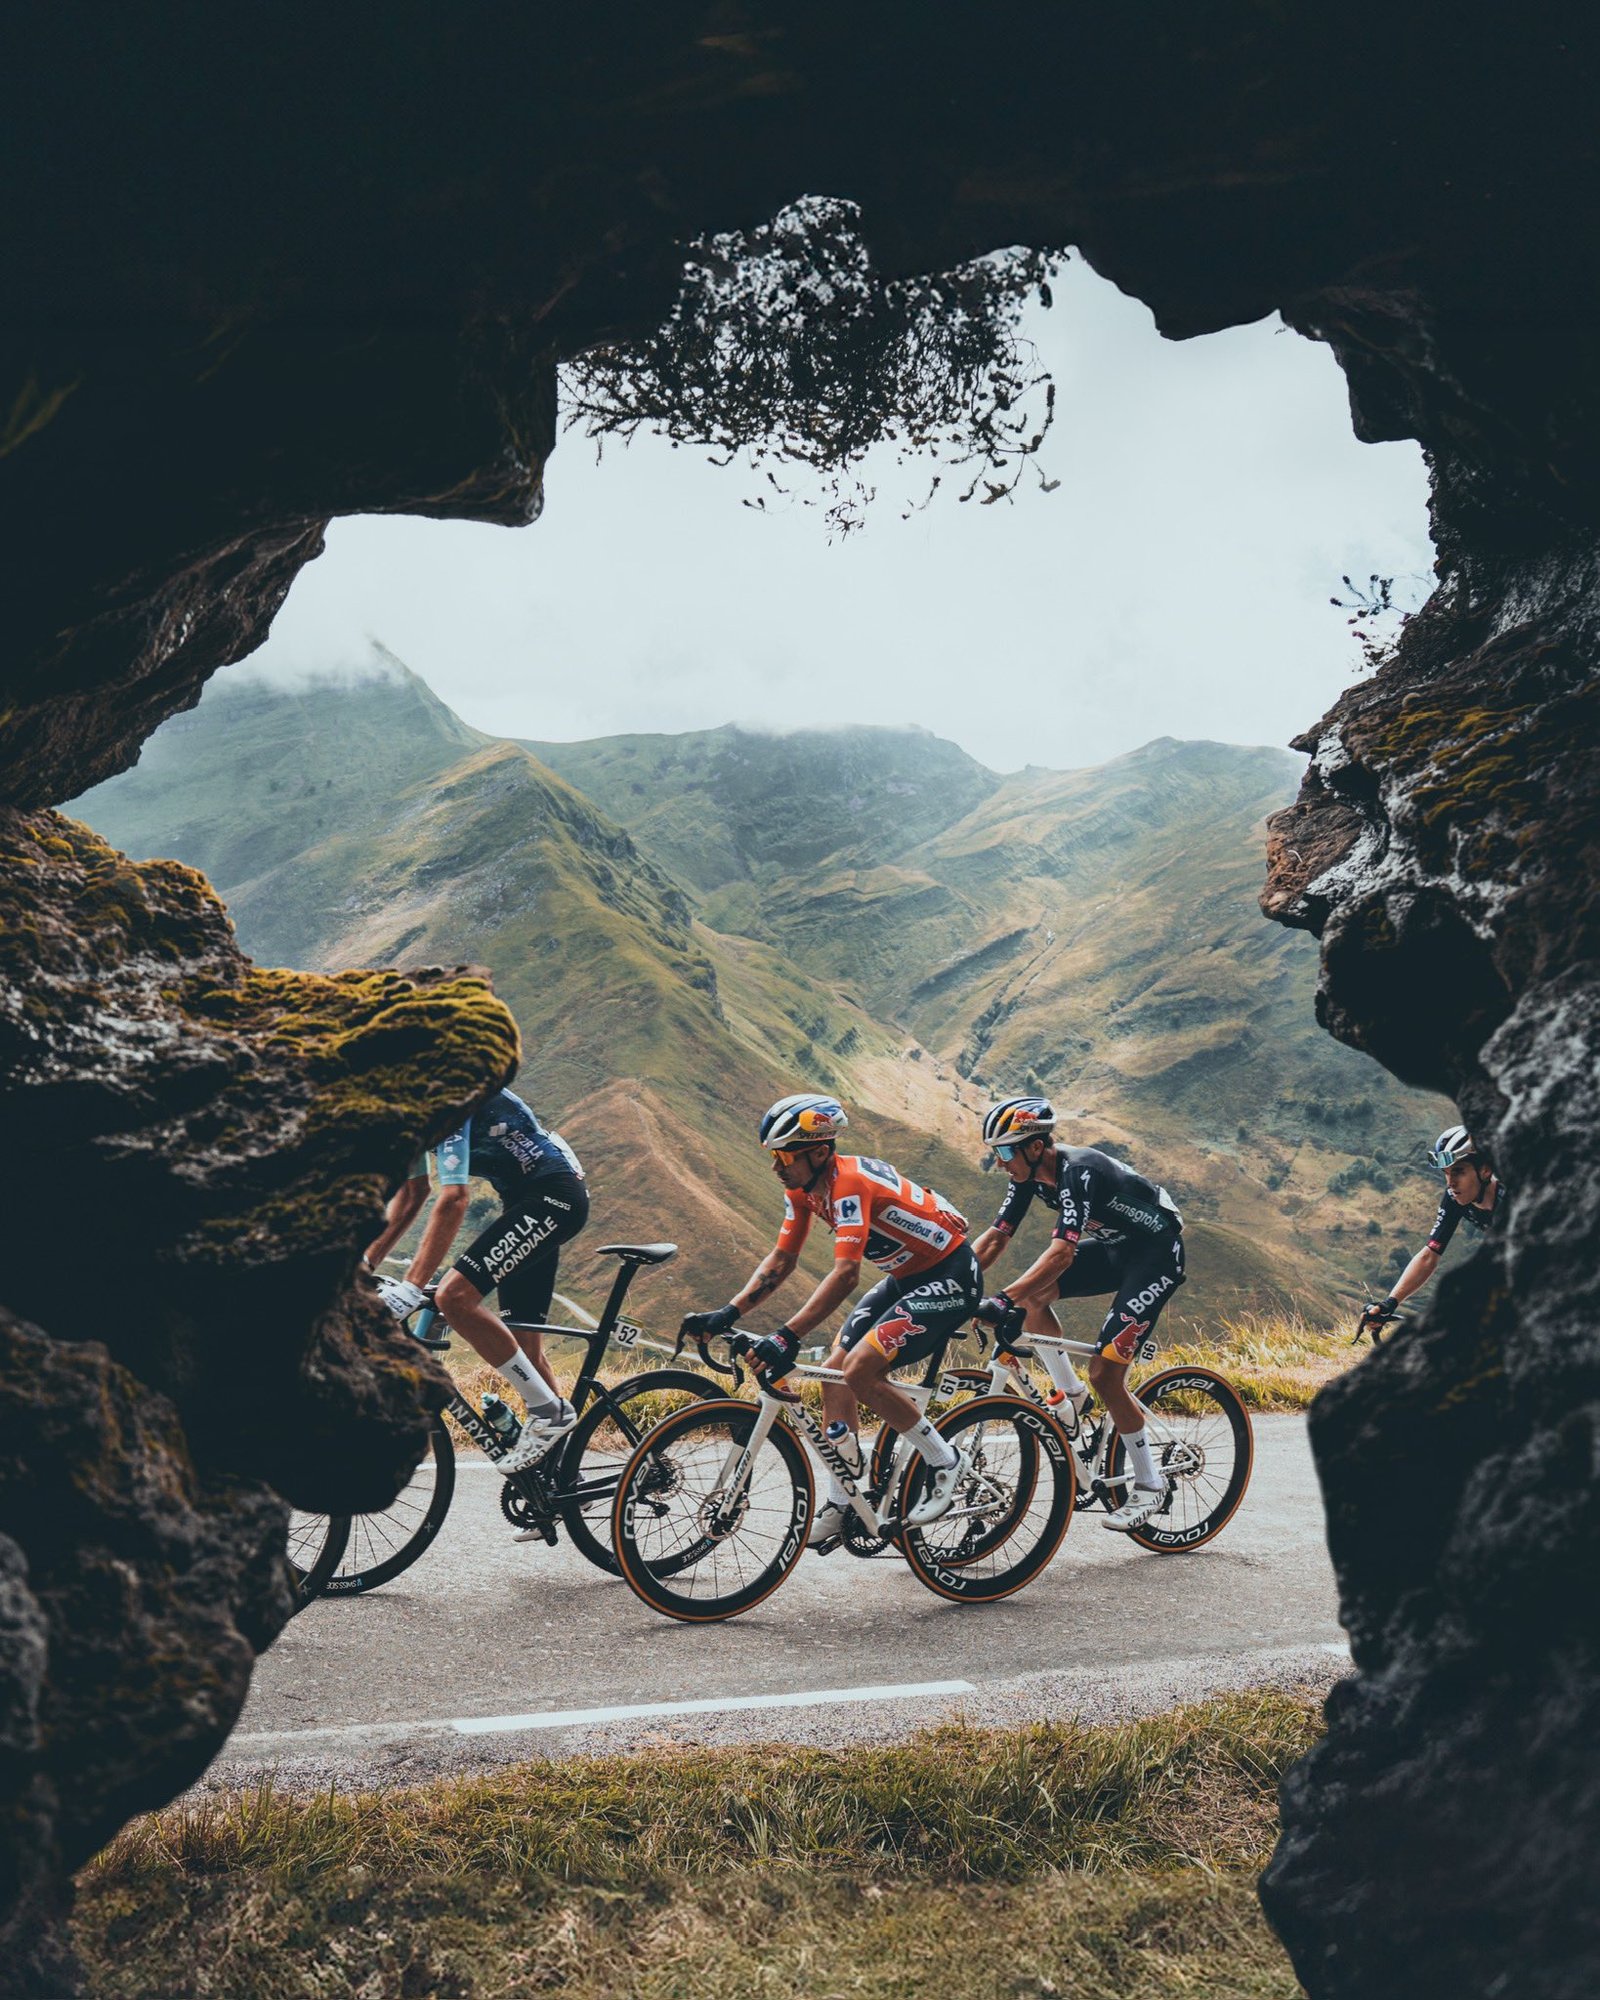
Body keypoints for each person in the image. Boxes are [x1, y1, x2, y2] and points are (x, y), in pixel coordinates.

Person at [679, 1093, 980, 1544]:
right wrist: (729, 1313)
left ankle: (946, 1463)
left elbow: (845, 1274)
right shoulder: (801, 1190)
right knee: (831, 1375)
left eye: (784, 1155)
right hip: (905, 1277)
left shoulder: (850, 1185)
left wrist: (786, 1336)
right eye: (773, 1155)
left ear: (820, 1152)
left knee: (859, 1370)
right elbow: (782, 1259)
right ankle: (844, 1501)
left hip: (951, 1276)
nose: (776, 1166)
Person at [968, 1095, 1186, 1533]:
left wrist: (1004, 1298)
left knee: (1106, 1374)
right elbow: (995, 1238)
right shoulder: (1028, 1176)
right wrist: (954, 1285)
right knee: (1033, 1301)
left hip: (1157, 1256)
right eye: (996, 1152)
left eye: (1005, 1151)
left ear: (1035, 1147)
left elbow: (1063, 1253)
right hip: (1115, 1250)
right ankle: (1072, 1399)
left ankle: (1149, 1483)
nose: (999, 1162)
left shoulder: (1077, 1171)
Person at [363, 1087, 590, 1476]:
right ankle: (561, 1479)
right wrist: (363, 1264)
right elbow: (412, 1193)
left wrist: (412, 1286)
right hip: (526, 1198)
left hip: (553, 1196)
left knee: (455, 1297)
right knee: (524, 1347)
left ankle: (548, 1413)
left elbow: (455, 1198)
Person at [1358, 1123, 1507, 1338]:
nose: (1451, 1183)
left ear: (1485, 1170)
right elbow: (1429, 1255)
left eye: (1458, 1172)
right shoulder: (1455, 1199)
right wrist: (1390, 1303)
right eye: (1446, 1173)